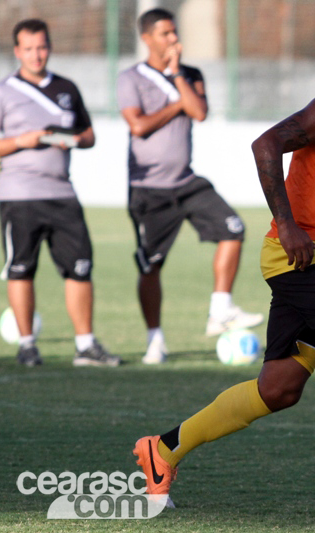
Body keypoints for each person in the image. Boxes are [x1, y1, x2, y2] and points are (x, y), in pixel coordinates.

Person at [133, 15, 315, 509]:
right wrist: (287, 224)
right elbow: (265, 144)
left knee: (279, 388)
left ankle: (162, 449)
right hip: (300, 254)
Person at [117, 8, 263, 364]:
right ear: (147, 38)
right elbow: (138, 126)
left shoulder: (191, 74)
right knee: (150, 265)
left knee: (234, 228)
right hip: (148, 187)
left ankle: (220, 309)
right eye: (165, 34)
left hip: (186, 182)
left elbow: (198, 111)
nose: (173, 39)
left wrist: (177, 77)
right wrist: (175, 104)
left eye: (174, 32)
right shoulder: (131, 78)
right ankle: (155, 340)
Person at [0, 19, 121, 368]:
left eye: (42, 47)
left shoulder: (67, 87)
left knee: (80, 267)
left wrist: (76, 140)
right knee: (21, 269)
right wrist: (23, 140)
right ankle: (26, 346)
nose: (37, 54)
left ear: (49, 47)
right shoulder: (2, 91)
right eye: (29, 48)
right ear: (17, 51)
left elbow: (89, 135)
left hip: (62, 193)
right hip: (18, 194)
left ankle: (85, 345)